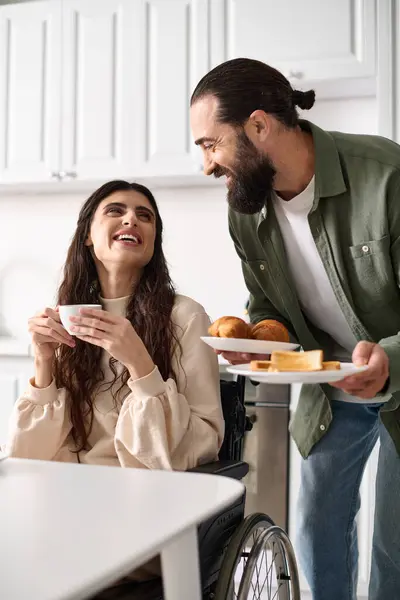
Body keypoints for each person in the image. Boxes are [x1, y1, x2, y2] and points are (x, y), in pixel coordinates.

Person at [190, 57, 400, 600]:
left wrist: (388, 361)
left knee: (393, 547)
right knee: (314, 529)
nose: (207, 165)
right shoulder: (245, 211)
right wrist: (260, 341)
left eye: (211, 144)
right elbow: (267, 306)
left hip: (397, 370)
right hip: (330, 382)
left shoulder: (385, 175)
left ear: (259, 126)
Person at [4, 179, 224, 585]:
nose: (131, 219)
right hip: (70, 505)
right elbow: (29, 457)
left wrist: (139, 363)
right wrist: (43, 360)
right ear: (88, 235)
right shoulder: (70, 319)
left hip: (145, 510)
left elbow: (205, 437)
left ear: (154, 241)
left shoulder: (186, 317)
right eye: (116, 210)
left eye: (145, 216)